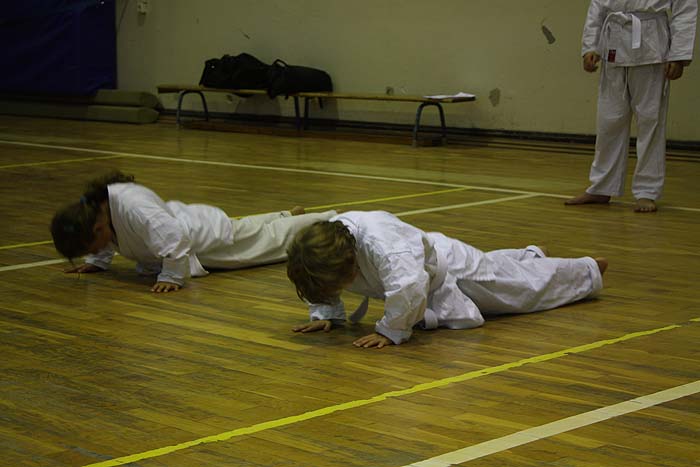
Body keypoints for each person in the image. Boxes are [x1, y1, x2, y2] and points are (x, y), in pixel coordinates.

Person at [286, 211, 607, 348]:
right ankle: (530, 254)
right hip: (424, 257)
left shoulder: (384, 245)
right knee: (507, 277)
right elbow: (313, 271)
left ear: (349, 263)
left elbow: (409, 286)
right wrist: (326, 313)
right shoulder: (324, 244)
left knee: (522, 291)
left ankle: (585, 269)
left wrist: (391, 330)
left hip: (449, 266)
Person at [50, 171, 337, 292]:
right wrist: (97, 263)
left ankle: (332, 221)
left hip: (203, 238)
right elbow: (107, 240)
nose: (98, 249)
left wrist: (172, 276)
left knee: (272, 243)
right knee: (249, 231)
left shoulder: (132, 206)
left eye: (92, 248)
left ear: (97, 227)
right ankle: (284, 214)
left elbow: (174, 239)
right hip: (192, 222)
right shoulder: (97, 209)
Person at [566, 0, 697, 213]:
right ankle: (601, 186)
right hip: (614, 44)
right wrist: (591, 45)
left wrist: (679, 56)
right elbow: (597, 6)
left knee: (650, 122)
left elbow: (685, 10)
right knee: (608, 121)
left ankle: (647, 191)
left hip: (651, 45)